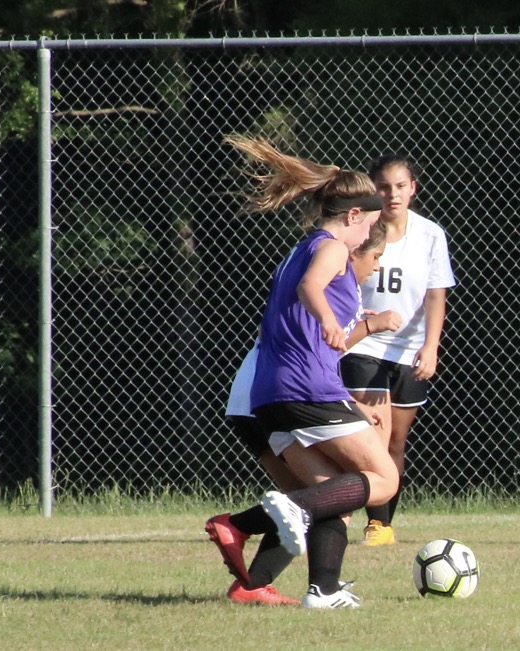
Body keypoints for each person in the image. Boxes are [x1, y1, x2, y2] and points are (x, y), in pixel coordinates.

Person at [205, 135, 401, 609]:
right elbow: (312, 288)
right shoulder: (331, 247)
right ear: (352, 217)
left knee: (330, 493)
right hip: (306, 386)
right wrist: (332, 320)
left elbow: (305, 320)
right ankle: (249, 522)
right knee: (384, 477)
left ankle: (322, 591)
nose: (368, 237)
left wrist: (354, 328)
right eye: (368, 225)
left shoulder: (302, 247)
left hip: (272, 392)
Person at [340, 153, 456, 546]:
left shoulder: (430, 235)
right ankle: (356, 518)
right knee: (372, 438)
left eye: (400, 186)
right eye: (384, 187)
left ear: (412, 189)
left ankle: (383, 522)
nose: (392, 194)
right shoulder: (361, 230)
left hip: (409, 351)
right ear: (373, 189)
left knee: (394, 443)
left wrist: (430, 347)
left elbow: (435, 296)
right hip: (364, 344)